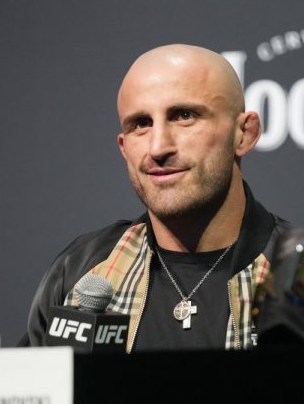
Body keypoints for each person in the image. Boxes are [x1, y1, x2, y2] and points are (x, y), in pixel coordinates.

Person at [24, 44, 289, 352]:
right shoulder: (79, 273)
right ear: (124, 147)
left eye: (184, 115)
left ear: (244, 133)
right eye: (141, 124)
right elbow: (33, 396)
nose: (158, 147)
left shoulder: (299, 278)